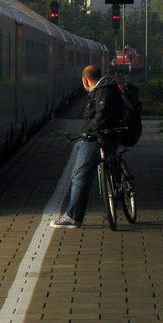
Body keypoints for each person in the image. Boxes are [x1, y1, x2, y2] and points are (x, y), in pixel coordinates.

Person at [51, 65, 124, 229]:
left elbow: (101, 118)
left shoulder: (102, 92)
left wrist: (86, 132)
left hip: (100, 138)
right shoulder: (107, 88)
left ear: (85, 80)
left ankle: (73, 216)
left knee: (80, 175)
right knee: (79, 148)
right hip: (112, 135)